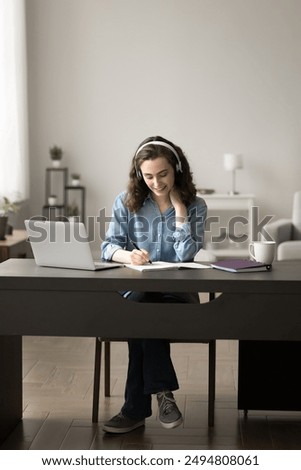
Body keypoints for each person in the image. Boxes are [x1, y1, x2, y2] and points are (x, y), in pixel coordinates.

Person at [101, 135, 207, 433]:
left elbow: (186, 254)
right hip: (137, 289)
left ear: (176, 169)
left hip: (177, 294)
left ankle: (134, 410)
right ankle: (163, 394)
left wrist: (181, 212)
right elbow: (108, 246)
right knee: (143, 311)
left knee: (141, 317)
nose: (157, 182)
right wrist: (128, 255)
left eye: (163, 174)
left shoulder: (196, 205)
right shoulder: (126, 201)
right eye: (148, 176)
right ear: (139, 174)